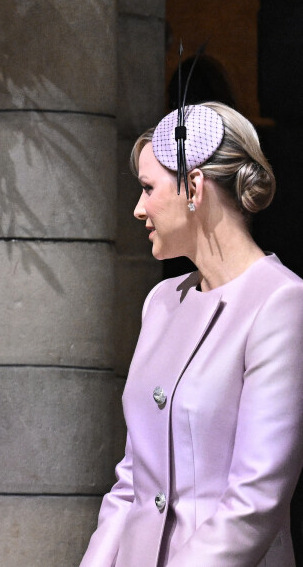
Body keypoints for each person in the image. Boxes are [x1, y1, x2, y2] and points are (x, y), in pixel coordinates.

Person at [80, 101, 303, 566]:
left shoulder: (280, 302)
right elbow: (133, 483)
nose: (138, 209)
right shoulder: (161, 302)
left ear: (194, 187)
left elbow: (255, 501)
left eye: (147, 188)